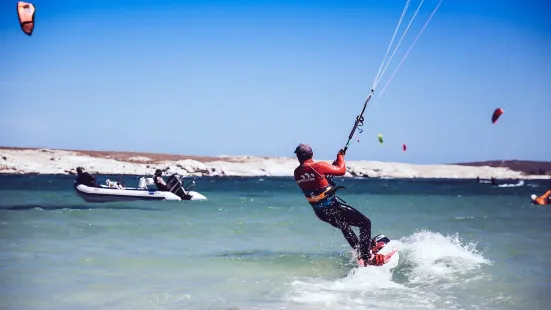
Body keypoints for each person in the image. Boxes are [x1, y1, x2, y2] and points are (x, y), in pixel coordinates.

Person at [293, 143, 385, 266]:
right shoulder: (318, 166)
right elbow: (341, 171)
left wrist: (335, 163)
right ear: (312, 154)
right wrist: (341, 157)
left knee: (344, 226)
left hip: (321, 213)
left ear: (298, 157)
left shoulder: (297, 173)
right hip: (332, 207)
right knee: (365, 222)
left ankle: (361, 252)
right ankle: (366, 256)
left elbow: (320, 179)